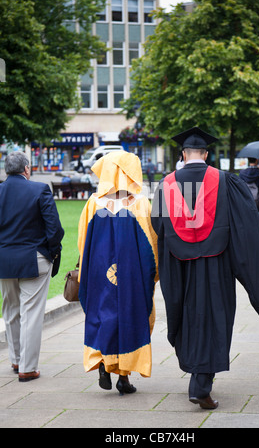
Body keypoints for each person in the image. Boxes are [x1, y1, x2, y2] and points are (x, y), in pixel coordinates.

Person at [151, 127, 259, 410]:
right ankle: (200, 383)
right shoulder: (225, 182)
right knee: (213, 318)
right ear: (206, 155)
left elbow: (157, 225)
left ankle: (197, 374)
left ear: (183, 155)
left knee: (187, 316)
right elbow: (245, 225)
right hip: (215, 264)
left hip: (180, 265)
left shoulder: (166, 184)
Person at [78, 151, 158, 395]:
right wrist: (153, 272)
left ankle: (104, 361)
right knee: (130, 317)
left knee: (104, 315)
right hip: (131, 273)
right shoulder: (141, 203)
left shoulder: (94, 203)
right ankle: (123, 376)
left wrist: (86, 270)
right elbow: (151, 242)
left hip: (100, 271)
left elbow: (83, 241)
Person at [0, 151, 64, 382]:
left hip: (4, 260)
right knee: (31, 313)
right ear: (26, 169)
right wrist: (53, 250)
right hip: (33, 257)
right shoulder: (39, 189)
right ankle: (27, 367)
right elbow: (54, 228)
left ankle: (16, 360)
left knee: (10, 310)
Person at [239, 158, 259, 231]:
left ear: (248, 160)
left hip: (246, 204)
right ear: (257, 160)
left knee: (248, 229)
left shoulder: (242, 173)